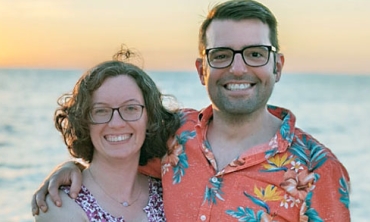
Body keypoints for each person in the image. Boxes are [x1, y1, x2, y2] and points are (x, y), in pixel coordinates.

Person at [32, 0, 351, 221]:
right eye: (222, 55)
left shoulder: (318, 169)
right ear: (201, 69)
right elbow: (115, 148)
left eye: (255, 53)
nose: (238, 69)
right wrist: (70, 167)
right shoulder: (172, 134)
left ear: (277, 66)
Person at [34, 47, 180, 221]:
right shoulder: (62, 207)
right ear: (84, 121)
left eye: (131, 108)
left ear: (150, 118)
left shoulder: (169, 193)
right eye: (101, 111)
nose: (116, 123)